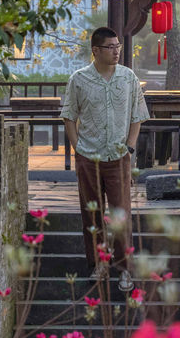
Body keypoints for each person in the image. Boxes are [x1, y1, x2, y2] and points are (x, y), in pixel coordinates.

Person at [61, 26, 149, 292]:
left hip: (118, 156)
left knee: (121, 213)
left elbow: (138, 115)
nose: (116, 52)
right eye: (110, 47)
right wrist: (78, 148)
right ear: (96, 51)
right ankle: (99, 264)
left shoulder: (128, 78)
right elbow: (69, 115)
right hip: (88, 157)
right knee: (92, 213)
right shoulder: (79, 79)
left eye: (118, 46)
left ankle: (124, 269)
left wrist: (130, 147)